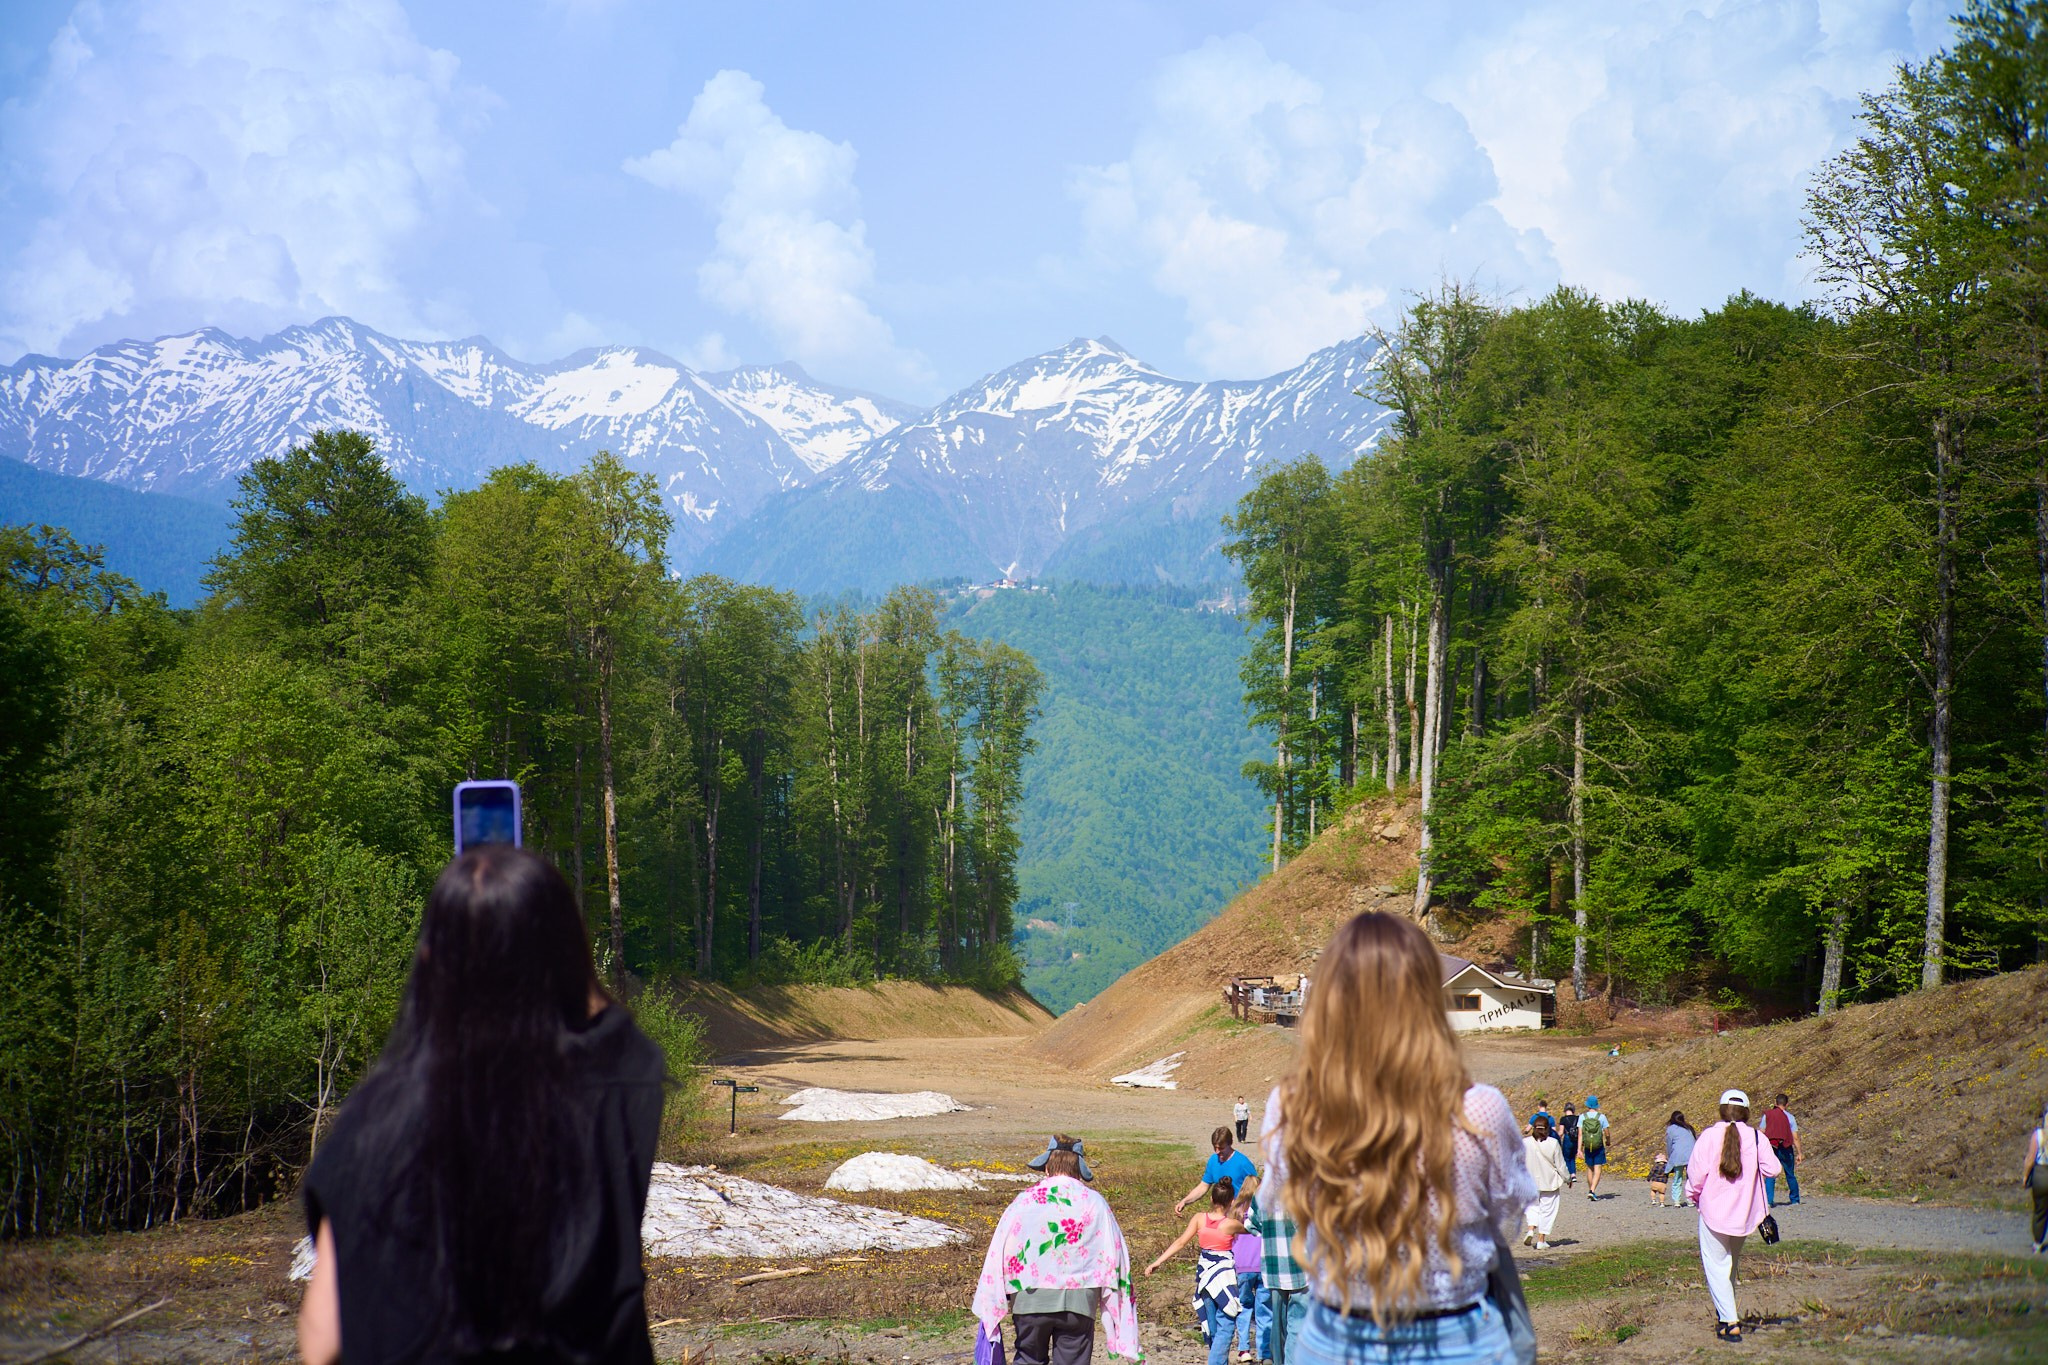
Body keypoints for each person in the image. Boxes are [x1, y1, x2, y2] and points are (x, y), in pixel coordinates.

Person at [296, 847, 666, 1365]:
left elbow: (323, 1337)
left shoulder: (370, 1123)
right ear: (567, 958)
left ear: (429, 959)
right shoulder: (614, 1091)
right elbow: (615, 1035)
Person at [1262, 912, 1536, 1364]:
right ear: (1426, 997)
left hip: (1334, 1334)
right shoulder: (1478, 1108)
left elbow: (1282, 1201)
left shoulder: (1293, 1105)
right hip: (1456, 1336)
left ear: (1329, 1000)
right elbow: (1508, 1219)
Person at [974, 1135, 1140, 1365]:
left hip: (1030, 1299)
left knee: (1029, 1359)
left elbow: (1000, 1249)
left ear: (1047, 1167)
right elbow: (1115, 1252)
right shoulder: (1095, 1202)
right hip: (1079, 1301)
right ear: (1079, 1170)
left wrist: (994, 1297)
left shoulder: (1024, 1202)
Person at [1686, 1089, 1782, 1344]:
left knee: (1716, 1265)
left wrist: (1693, 1196)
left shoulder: (1708, 1136)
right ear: (1746, 1113)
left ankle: (1730, 1322)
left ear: (1721, 1110)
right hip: (1745, 1215)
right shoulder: (1757, 1137)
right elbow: (1773, 1169)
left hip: (1713, 1213)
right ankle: (1724, 1316)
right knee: (1729, 1265)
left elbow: (1695, 1176)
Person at [1146, 1179, 1250, 1365]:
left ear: (1211, 1199)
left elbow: (1180, 1242)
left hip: (1205, 1278)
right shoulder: (1231, 1224)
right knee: (1226, 1323)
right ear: (1231, 1201)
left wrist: (1157, 1262)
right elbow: (1252, 1229)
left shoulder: (1199, 1218)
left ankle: (1217, 1360)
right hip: (1223, 1278)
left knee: (1212, 1325)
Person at [1176, 1126, 1260, 1215]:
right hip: (1220, 1214)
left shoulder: (1243, 1163)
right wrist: (1185, 1201)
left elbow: (1257, 1188)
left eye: (1221, 1148)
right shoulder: (1213, 1160)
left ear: (1230, 1144)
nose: (1217, 1151)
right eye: (1215, 1147)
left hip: (1239, 1214)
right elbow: (1203, 1186)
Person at [1228, 1195, 1268, 1364]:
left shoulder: (1235, 1209)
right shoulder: (1266, 1206)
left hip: (1241, 1265)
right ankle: (1265, 1352)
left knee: (1243, 1307)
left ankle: (1244, 1349)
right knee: (1264, 1310)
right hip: (1263, 1264)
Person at [1522, 1114, 1568, 1251]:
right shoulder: (1553, 1143)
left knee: (1531, 1207)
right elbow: (1560, 1165)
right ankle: (1541, 1240)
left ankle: (1531, 1229)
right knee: (1547, 1210)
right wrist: (1568, 1178)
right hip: (1549, 1181)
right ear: (1547, 1129)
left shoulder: (1525, 1143)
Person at [1758, 1094, 1802, 1206]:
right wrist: (1799, 1153)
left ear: (1775, 1103)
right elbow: (1795, 1137)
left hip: (1771, 1147)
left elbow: (1761, 1132)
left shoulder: (1767, 1115)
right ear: (1787, 1104)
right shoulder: (1790, 1117)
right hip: (1786, 1147)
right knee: (1790, 1173)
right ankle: (1795, 1199)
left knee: (1770, 1173)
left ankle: (1768, 1200)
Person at [2023, 1102, 2048, 1255]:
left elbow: (2030, 1160)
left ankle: (2037, 1243)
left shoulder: (2038, 1135)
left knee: (2040, 1211)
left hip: (2041, 1175)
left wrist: (2025, 1176)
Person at [1664, 1112, 1697, 1209]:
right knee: (1690, 1179)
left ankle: (1676, 1201)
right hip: (1691, 1155)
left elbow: (1669, 1144)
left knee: (1677, 1179)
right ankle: (1690, 1200)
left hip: (1678, 1156)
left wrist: (1670, 1157)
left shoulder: (1671, 1129)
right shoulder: (1689, 1128)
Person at [1580, 1096, 1611, 1199]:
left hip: (1588, 1145)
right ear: (1597, 1105)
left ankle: (1591, 1190)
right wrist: (1608, 1141)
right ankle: (1592, 1190)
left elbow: (1580, 1134)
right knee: (1598, 1168)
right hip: (1598, 1145)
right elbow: (1607, 1132)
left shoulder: (1582, 1117)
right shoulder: (1601, 1117)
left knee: (1589, 1168)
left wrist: (1579, 1149)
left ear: (1587, 1105)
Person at [1557, 1103, 1580, 1186]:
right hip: (1576, 1139)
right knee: (1572, 1157)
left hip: (1567, 1138)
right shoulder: (1577, 1118)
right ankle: (1573, 1175)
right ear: (1573, 1110)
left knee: (1566, 1157)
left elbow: (1561, 1132)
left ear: (1565, 1110)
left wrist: (1556, 1138)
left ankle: (1568, 1175)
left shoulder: (1563, 1119)